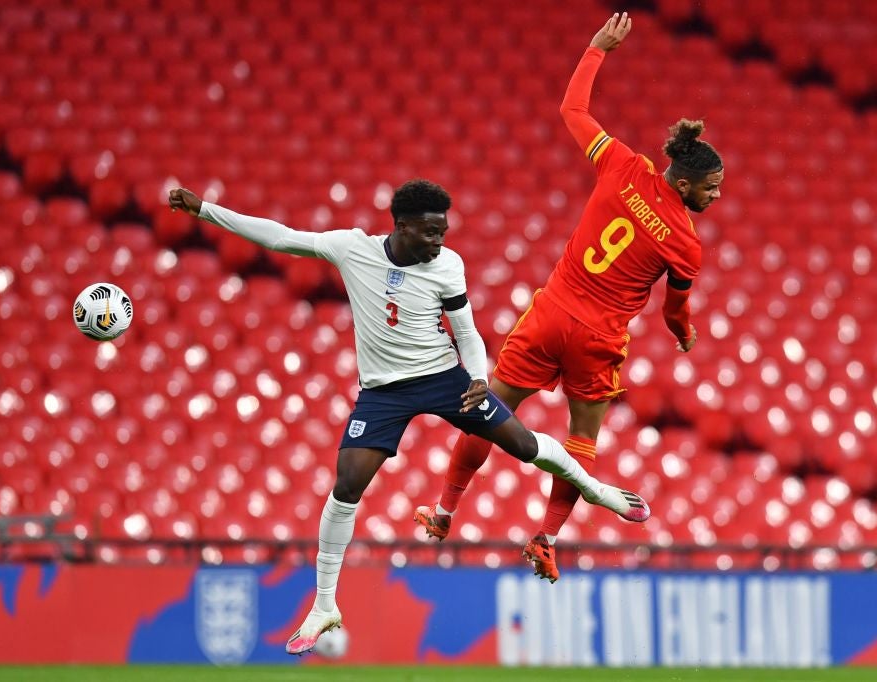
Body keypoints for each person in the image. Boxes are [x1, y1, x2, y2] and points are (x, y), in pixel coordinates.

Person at [168, 179, 647, 655]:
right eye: (429, 232)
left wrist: (478, 375)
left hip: (444, 378)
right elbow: (278, 236)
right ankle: (325, 605)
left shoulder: (448, 265)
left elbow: (467, 331)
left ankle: (595, 489)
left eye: (443, 232)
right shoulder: (351, 248)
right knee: (347, 484)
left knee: (521, 445)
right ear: (400, 226)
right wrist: (206, 209)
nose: (438, 242)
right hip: (383, 392)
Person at [414, 13, 725, 583]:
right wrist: (683, 334)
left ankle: (443, 509)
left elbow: (573, 111)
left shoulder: (623, 165)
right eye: (711, 187)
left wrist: (595, 49)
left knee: (486, 411)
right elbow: (673, 309)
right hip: (599, 338)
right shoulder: (685, 242)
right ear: (683, 184)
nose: (716, 194)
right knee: (583, 437)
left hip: (551, 311)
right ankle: (547, 536)